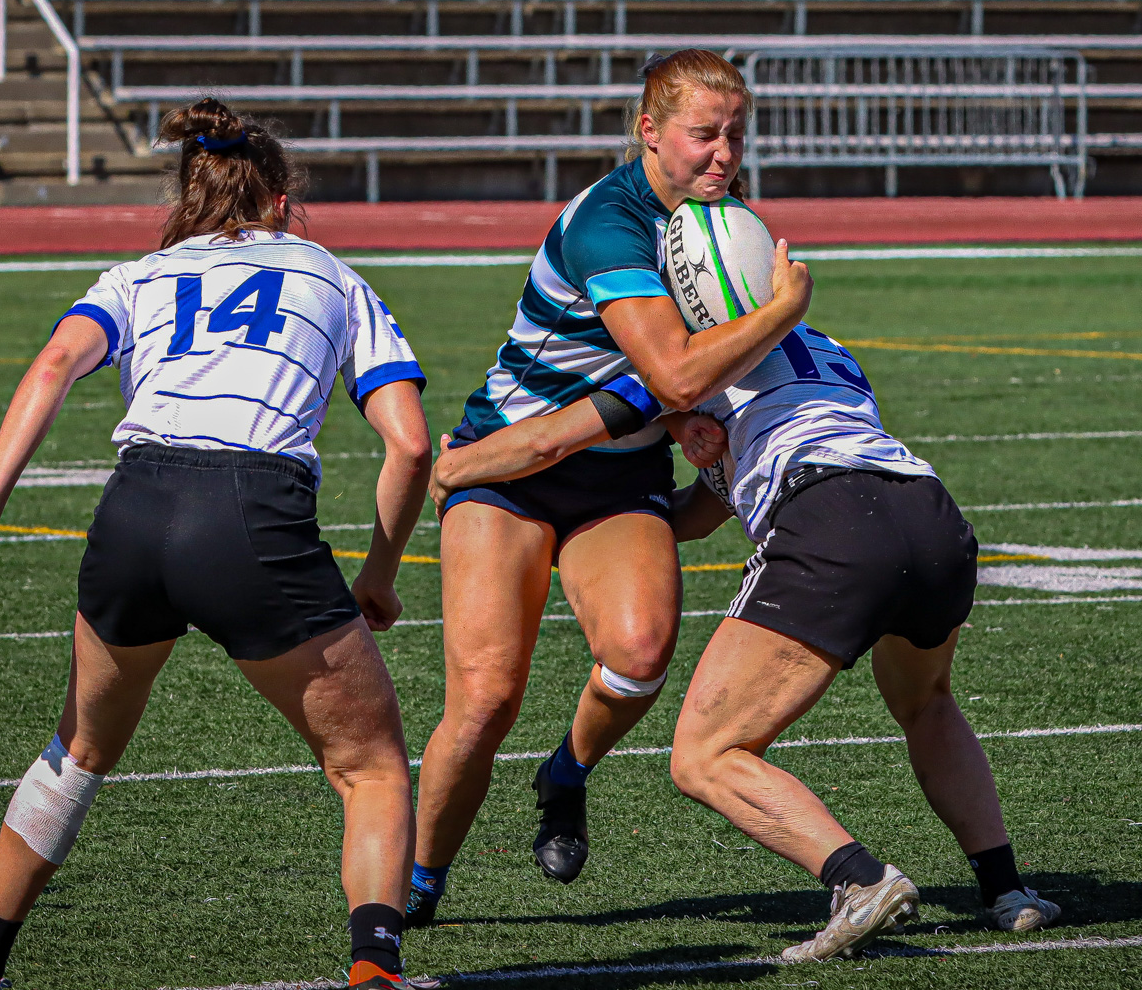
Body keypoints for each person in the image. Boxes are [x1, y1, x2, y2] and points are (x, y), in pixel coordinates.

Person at [0, 100, 432, 990]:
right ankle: (375, 970)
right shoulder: (329, 273)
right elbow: (412, 443)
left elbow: (51, 368)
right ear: (278, 203)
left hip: (135, 510)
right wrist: (377, 576)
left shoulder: (136, 274)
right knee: (371, 765)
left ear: (188, 195)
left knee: (76, 754)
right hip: (253, 516)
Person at [428, 322, 1061, 960]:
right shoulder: (824, 344)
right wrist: (608, 535)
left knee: (706, 754)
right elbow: (694, 515)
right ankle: (1007, 891)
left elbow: (546, 440)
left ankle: (859, 880)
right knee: (927, 704)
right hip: (929, 514)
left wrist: (457, 466)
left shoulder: (687, 363)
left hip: (829, 522)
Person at [406, 50, 813, 925]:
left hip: (616, 474)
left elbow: (683, 380)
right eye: (703, 135)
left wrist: (680, 423)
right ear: (649, 133)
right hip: (509, 464)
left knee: (637, 656)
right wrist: (776, 315)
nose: (723, 154)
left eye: (735, 135)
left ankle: (567, 773)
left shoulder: (722, 221)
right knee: (483, 700)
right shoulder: (609, 223)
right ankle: (416, 878)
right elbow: (669, 369)